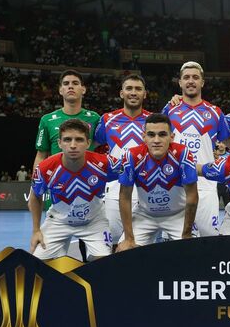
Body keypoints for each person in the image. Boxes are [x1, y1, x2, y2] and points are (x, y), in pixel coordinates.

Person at [32, 69, 100, 261]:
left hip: (88, 188)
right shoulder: (47, 120)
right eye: (66, 83)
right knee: (53, 246)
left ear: (83, 89)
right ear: (60, 90)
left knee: (91, 243)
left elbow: (101, 151)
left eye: (75, 83)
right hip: (58, 190)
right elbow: (41, 154)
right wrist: (36, 183)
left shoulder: (95, 119)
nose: (71, 86)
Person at [28, 119, 119, 260]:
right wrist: (36, 230)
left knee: (104, 265)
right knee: (38, 264)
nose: (73, 145)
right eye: (67, 139)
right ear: (59, 143)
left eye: (79, 140)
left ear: (88, 143)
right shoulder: (45, 168)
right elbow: (34, 197)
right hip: (58, 222)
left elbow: (131, 173)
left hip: (94, 221)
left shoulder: (104, 163)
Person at [161, 61, 230, 236]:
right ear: (180, 83)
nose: (191, 81)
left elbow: (228, 141)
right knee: (175, 241)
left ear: (202, 82)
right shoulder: (169, 109)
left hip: (205, 185)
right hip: (173, 183)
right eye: (186, 77)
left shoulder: (215, 112)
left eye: (195, 77)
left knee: (209, 237)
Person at [116, 114, 198, 251]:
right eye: (151, 135)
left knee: (191, 251)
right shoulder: (131, 156)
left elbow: (192, 197)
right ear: (144, 137)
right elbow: (124, 197)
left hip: (178, 214)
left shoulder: (183, 154)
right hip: (145, 214)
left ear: (172, 137)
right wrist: (129, 238)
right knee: (122, 252)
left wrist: (187, 234)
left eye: (162, 134)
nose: (156, 140)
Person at [93, 74, 151, 247]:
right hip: (115, 189)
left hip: (146, 188)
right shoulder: (107, 120)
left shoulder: (153, 120)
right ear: (121, 93)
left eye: (138, 89)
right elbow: (92, 146)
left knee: (142, 245)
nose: (133, 92)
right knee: (113, 242)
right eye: (129, 88)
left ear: (145, 94)